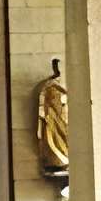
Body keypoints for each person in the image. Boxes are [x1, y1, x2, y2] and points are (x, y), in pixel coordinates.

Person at [36, 56, 69, 184]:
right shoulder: (50, 89)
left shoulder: (57, 89)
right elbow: (48, 107)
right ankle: (56, 161)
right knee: (54, 139)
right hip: (52, 119)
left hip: (58, 118)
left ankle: (61, 161)